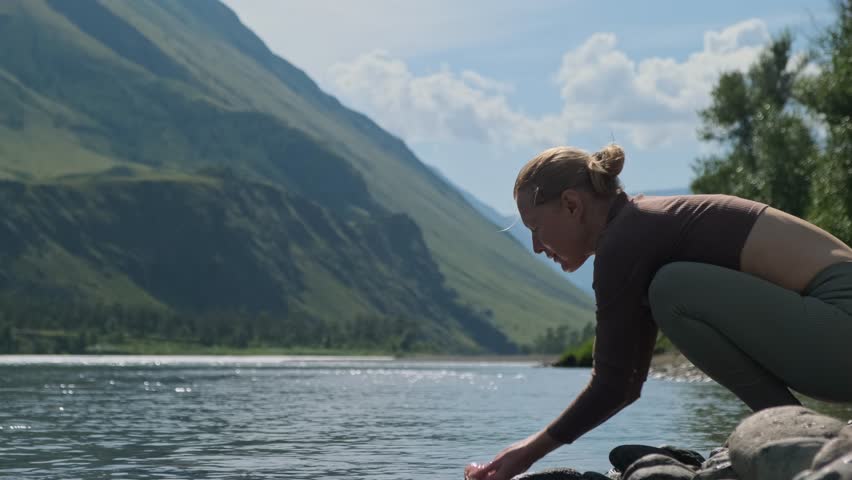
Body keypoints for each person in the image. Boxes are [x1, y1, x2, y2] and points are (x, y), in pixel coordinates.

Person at [466, 144, 852, 480]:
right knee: (669, 287)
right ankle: (794, 431)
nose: (535, 246)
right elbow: (628, 381)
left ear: (572, 204)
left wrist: (525, 453)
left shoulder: (626, 239)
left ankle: (791, 430)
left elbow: (615, 383)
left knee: (672, 289)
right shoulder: (642, 226)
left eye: (536, 227)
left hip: (840, 329)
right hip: (834, 337)